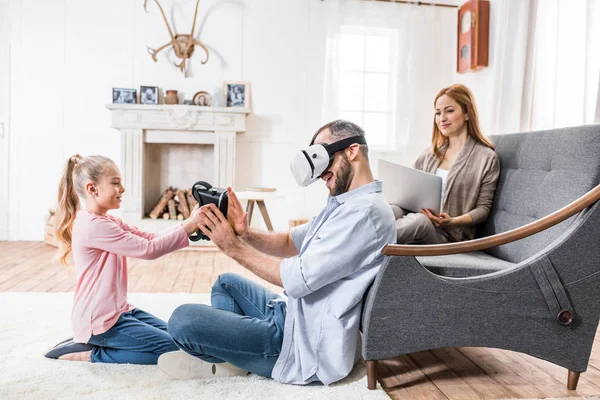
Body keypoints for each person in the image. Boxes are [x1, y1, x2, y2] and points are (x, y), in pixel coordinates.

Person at [157, 120, 396, 385]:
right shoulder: (344, 204)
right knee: (225, 284)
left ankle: (239, 353)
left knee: (182, 319)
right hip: (294, 316)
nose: (319, 175)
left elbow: (295, 278)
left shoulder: (363, 213)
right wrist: (243, 233)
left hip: (302, 346)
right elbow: (287, 243)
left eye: (322, 157)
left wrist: (232, 247)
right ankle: (236, 355)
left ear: (352, 151)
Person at [44, 154, 204, 364]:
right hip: (101, 321)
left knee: (179, 339)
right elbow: (149, 249)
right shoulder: (94, 226)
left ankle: (94, 342)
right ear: (93, 189)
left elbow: (150, 238)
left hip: (119, 312)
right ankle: (93, 353)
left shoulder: (107, 220)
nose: (123, 189)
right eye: (116, 183)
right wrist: (191, 225)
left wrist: (189, 223)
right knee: (172, 350)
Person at [393, 84, 500, 244]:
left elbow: (483, 209)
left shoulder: (486, 158)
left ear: (466, 113)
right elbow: (408, 194)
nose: (442, 118)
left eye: (449, 111)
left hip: (451, 236)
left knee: (420, 222)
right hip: (416, 217)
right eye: (437, 113)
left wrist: (453, 221)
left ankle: (362, 244)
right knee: (390, 210)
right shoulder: (428, 154)